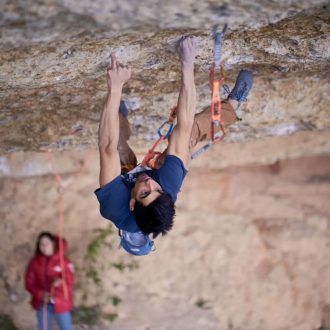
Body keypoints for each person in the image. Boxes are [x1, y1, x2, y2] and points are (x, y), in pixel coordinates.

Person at [95, 36, 253, 255]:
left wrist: (114, 88)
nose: (150, 183)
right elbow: (184, 124)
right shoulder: (167, 185)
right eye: (155, 190)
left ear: (132, 205)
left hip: (125, 182)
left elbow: (106, 147)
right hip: (155, 174)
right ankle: (232, 105)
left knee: (117, 145)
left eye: (144, 193)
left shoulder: (116, 208)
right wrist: (187, 63)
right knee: (193, 128)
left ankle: (118, 116)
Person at [25, 232, 74, 330]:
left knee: (66, 327)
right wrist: (41, 294)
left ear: (53, 243)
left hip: (61, 302)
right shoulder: (34, 262)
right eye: (41, 244)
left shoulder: (64, 261)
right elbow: (29, 284)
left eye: (46, 242)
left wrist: (60, 283)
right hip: (42, 303)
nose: (44, 246)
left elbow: (69, 283)